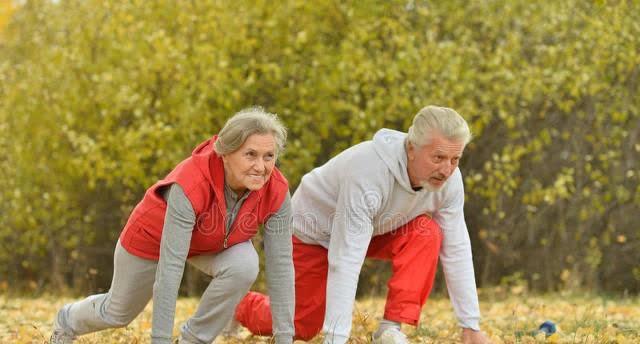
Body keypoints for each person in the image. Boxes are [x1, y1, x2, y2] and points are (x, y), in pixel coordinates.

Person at [233, 106, 492, 344]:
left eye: (454, 159)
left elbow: (456, 247)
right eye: (438, 158)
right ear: (412, 148)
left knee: (427, 233)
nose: (447, 169)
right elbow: (346, 258)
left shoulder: (449, 181)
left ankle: (391, 327)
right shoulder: (368, 171)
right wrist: (336, 338)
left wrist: (470, 325)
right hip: (313, 233)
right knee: (301, 325)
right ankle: (235, 304)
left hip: (379, 227)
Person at [50, 107, 295, 344]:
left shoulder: (275, 191)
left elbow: (281, 266)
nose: (261, 167)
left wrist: (285, 340)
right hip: (151, 240)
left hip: (208, 242)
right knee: (117, 313)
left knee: (244, 265)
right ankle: (67, 319)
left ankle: (193, 340)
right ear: (226, 153)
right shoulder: (190, 184)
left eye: (269, 156)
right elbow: (170, 272)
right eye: (250, 154)